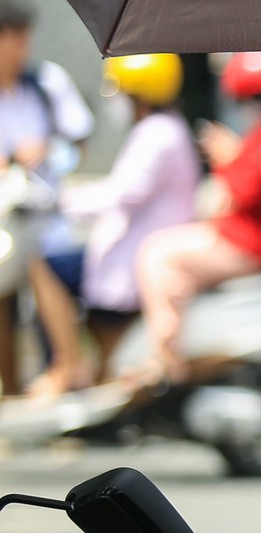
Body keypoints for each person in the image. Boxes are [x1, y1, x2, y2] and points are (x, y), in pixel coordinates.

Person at [133, 48, 261, 382]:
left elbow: (249, 192)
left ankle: (165, 357)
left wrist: (226, 157)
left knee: (156, 255)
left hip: (258, 243)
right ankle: (183, 358)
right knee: (173, 269)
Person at [45, 54, 201, 387]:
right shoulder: (164, 129)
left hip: (136, 261)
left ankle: (66, 364)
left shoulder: (157, 135)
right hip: (136, 251)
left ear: (137, 92)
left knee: (47, 267)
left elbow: (120, 194)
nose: (115, 101)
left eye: (119, 91)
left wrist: (57, 201)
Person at [0, 0, 95, 394]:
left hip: (47, 217)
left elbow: (78, 140)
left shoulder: (46, 82)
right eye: (14, 38)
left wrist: (47, 150)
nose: (23, 47)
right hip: (4, 221)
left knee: (48, 278)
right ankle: (13, 392)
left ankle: (64, 372)